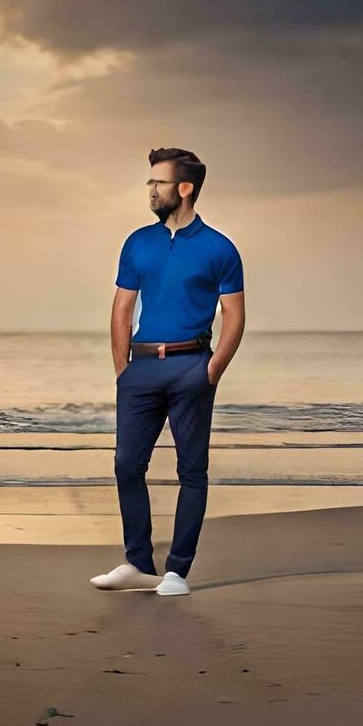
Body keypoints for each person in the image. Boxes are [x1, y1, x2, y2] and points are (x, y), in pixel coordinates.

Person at [90, 147, 246, 597]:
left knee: (191, 470)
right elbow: (121, 309)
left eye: (158, 182)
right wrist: (124, 371)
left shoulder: (220, 248)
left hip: (191, 366)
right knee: (126, 465)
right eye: (149, 182)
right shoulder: (138, 242)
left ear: (185, 188)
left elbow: (233, 316)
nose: (150, 190)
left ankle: (177, 572)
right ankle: (138, 564)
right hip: (140, 369)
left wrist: (212, 370)